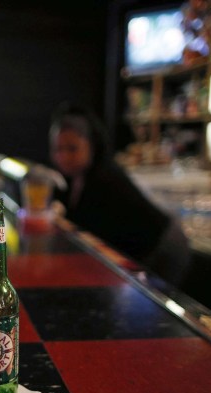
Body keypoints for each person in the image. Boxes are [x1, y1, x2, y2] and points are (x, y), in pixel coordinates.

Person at [48, 102, 190, 285]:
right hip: (143, 247)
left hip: (164, 246)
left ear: (91, 145)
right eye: (58, 149)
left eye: (72, 149)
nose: (63, 157)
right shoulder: (74, 179)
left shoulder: (105, 179)